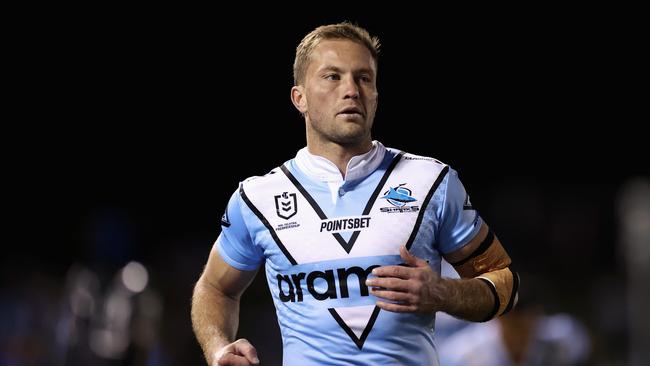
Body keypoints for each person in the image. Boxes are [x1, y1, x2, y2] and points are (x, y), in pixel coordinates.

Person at [191, 22, 519, 366]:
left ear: (376, 94)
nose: (351, 90)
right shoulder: (256, 199)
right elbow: (215, 288)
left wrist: (443, 293)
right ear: (299, 98)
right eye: (333, 76)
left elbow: (505, 282)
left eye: (364, 78)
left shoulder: (431, 182)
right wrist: (218, 347)